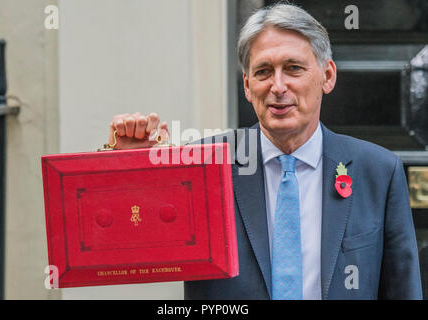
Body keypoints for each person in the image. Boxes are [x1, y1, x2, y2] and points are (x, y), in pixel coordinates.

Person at [108, 3, 422, 299]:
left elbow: (402, 288)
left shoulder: (378, 170)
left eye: (294, 68)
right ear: (247, 85)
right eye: (263, 72)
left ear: (327, 76)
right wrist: (131, 171)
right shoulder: (201, 164)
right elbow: (127, 248)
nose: (278, 86)